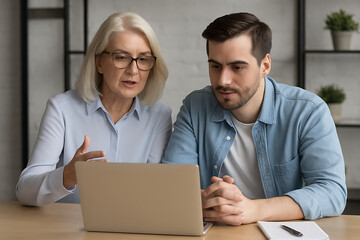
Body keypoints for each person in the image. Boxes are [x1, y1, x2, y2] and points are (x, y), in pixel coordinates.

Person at [162, 12, 346, 225]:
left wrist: (252, 209)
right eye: (215, 66)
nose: (223, 80)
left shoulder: (308, 112)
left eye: (237, 67)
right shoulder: (195, 108)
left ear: (265, 65)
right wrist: (207, 201)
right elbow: (173, 185)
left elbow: (332, 192)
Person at [16, 12, 172, 206]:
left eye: (143, 59)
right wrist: (67, 176)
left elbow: (154, 190)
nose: (133, 70)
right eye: (121, 57)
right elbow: (25, 191)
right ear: (99, 62)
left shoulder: (160, 116)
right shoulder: (61, 110)